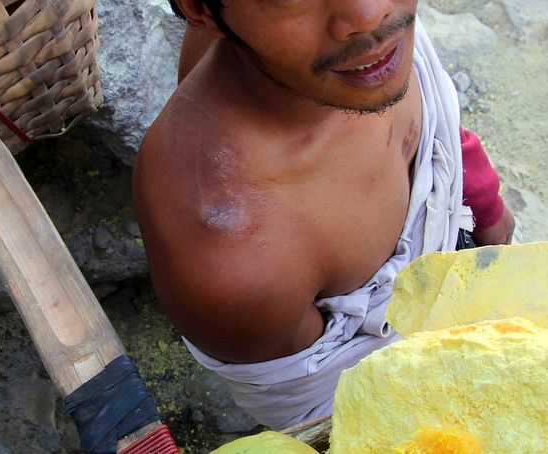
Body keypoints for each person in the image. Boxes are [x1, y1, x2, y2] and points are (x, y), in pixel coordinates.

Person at [132, 0, 515, 429]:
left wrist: (481, 199)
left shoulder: (361, 54)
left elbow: (431, 119)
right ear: (202, 11)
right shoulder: (238, 261)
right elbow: (344, 418)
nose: (370, 15)